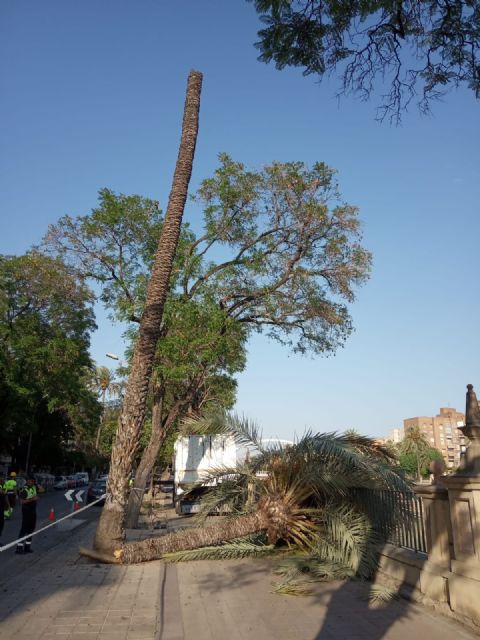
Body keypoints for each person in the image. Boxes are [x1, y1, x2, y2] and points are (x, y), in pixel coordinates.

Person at [15, 476, 38, 554]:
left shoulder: (34, 487)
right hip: (26, 512)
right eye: (28, 481)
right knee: (24, 529)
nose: (30, 482)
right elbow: (21, 502)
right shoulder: (24, 490)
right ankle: (19, 548)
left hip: (33, 512)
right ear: (26, 482)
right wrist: (32, 499)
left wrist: (37, 484)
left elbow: (42, 490)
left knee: (31, 530)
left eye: (31, 481)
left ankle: (27, 547)